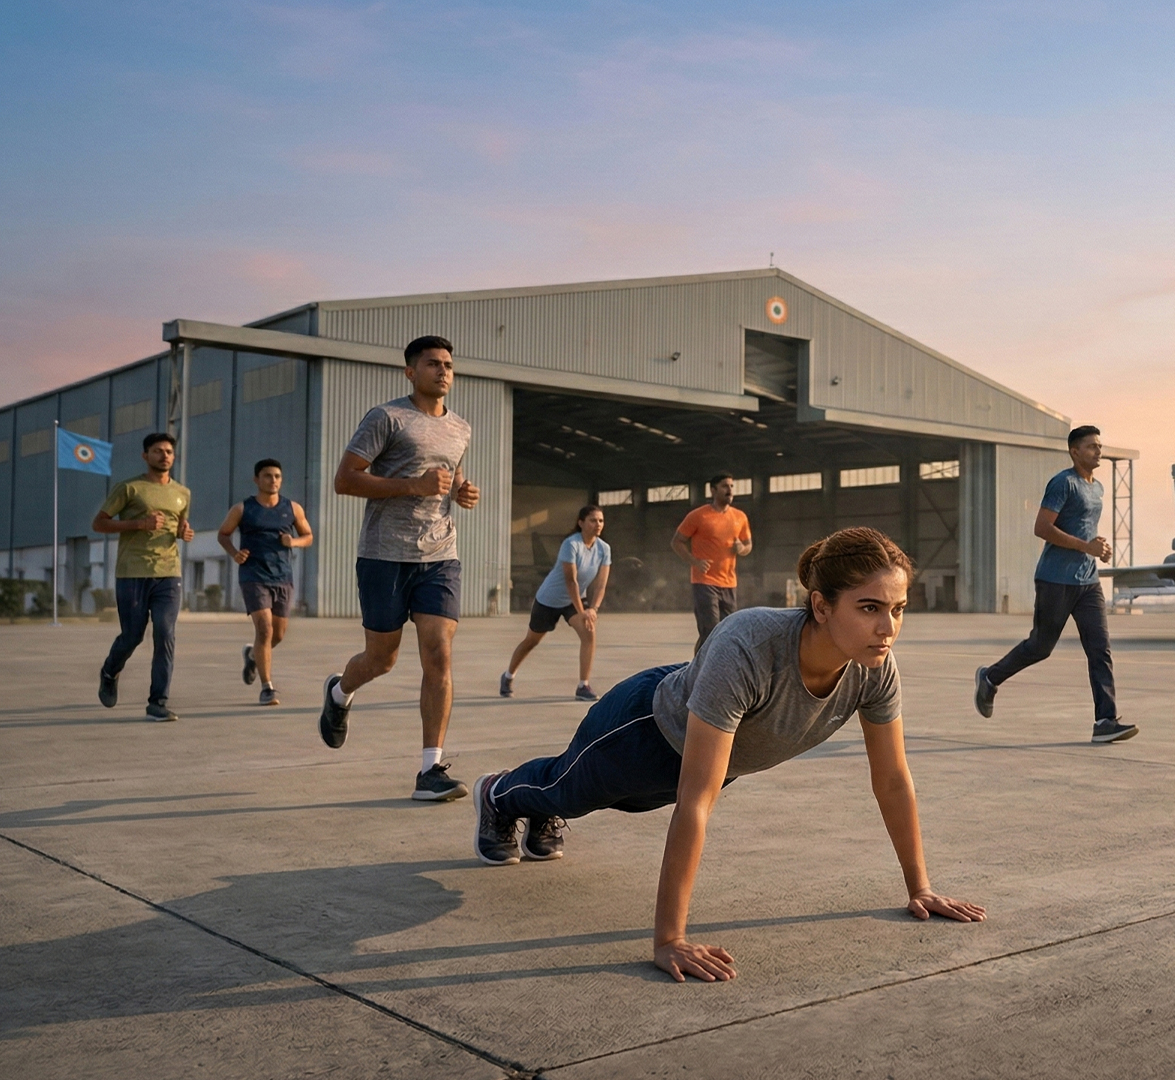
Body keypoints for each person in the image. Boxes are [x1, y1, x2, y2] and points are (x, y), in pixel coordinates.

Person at [472, 527, 985, 982]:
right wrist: (669, 940)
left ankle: (539, 812)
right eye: (869, 608)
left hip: (711, 757)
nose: (888, 628)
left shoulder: (875, 670)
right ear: (822, 605)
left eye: (898, 609)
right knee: (566, 790)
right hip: (643, 731)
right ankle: (498, 795)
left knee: (595, 800)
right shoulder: (750, 645)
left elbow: (893, 779)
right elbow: (697, 798)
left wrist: (921, 888)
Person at [317, 335, 480, 802]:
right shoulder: (386, 417)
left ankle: (431, 769)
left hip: (440, 556)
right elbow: (345, 480)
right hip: (384, 554)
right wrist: (414, 486)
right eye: (432, 364)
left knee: (438, 653)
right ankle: (339, 693)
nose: (443, 371)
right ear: (411, 372)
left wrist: (462, 493)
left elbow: (450, 478)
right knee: (381, 658)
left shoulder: (461, 428)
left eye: (448, 364)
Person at [974, 425, 1136, 744]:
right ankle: (990, 677)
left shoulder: (1098, 488)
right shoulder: (1064, 483)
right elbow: (1042, 527)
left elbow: (1084, 530)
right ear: (1075, 452)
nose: (1098, 451)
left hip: (1087, 581)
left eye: (1100, 446)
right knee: (1041, 646)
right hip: (1055, 579)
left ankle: (1105, 720)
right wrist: (1083, 546)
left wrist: (1097, 548)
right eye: (1091, 447)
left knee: (1099, 649)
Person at [93, 432, 193, 722]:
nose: (164, 455)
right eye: (158, 451)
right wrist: (140, 523)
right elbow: (99, 523)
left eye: (169, 451)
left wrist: (184, 533)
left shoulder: (182, 493)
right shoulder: (129, 489)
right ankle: (110, 671)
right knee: (133, 635)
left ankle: (157, 702)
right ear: (145, 456)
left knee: (165, 633)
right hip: (132, 573)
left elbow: (179, 527)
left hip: (168, 573)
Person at [216, 458, 313, 706]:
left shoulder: (292, 508)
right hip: (253, 576)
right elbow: (223, 534)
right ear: (257, 479)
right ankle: (267, 687)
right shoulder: (243, 509)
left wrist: (294, 542)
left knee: (277, 634)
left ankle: (251, 655)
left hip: (282, 576)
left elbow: (308, 536)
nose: (273, 480)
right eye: (268, 476)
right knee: (265, 629)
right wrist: (234, 553)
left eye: (277, 476)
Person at [501, 504, 612, 702]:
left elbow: (601, 584)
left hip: (574, 599)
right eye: (593, 520)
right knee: (531, 641)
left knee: (589, 633)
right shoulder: (571, 544)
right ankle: (508, 676)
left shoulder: (604, 549)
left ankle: (583, 685)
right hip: (549, 599)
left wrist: (593, 609)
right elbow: (571, 581)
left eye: (601, 521)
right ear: (581, 523)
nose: (598, 524)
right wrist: (582, 610)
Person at [672, 473, 752, 650]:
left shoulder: (740, 517)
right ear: (713, 490)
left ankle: (715, 668)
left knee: (728, 631)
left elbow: (748, 545)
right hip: (704, 582)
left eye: (731, 486)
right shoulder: (699, 516)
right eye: (724, 486)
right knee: (710, 631)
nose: (729, 490)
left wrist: (742, 549)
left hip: (729, 583)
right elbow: (677, 541)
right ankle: (701, 671)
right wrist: (694, 561)